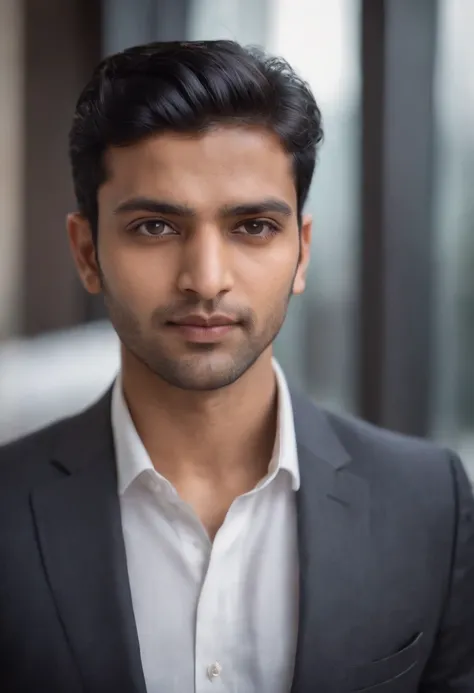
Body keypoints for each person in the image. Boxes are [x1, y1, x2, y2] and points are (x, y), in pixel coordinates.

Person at [0, 40, 473, 693]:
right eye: (155, 228)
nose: (206, 280)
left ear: (302, 252)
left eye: (251, 226)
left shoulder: (430, 504)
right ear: (87, 252)